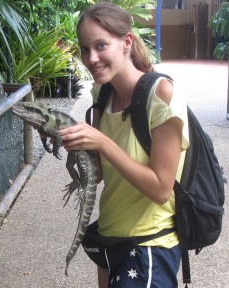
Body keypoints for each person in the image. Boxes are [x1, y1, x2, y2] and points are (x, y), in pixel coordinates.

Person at [58, 2, 189, 287]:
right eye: (84, 48)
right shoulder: (102, 95)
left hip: (149, 245)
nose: (91, 58)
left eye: (101, 45)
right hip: (110, 240)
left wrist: (103, 142)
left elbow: (161, 188)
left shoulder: (162, 94)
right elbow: (103, 173)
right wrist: (75, 144)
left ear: (126, 42)